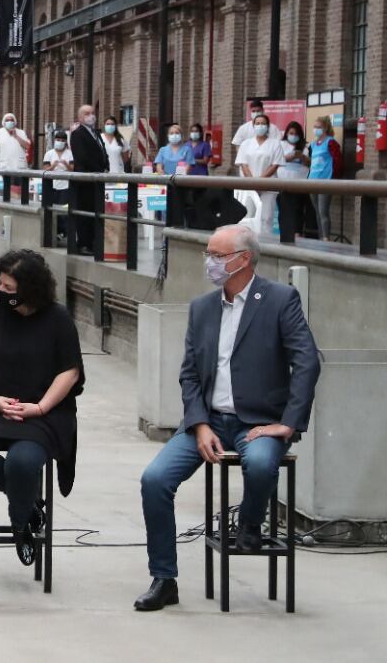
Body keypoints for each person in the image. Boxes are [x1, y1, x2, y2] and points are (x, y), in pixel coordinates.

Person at [135, 224, 319, 611]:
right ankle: (164, 578)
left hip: (258, 422)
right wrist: (199, 424)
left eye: (217, 256)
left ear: (243, 259)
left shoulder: (280, 300)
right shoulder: (203, 308)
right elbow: (189, 373)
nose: (210, 262)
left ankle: (250, 524)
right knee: (154, 480)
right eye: (209, 254)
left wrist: (288, 422)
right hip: (210, 420)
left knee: (262, 464)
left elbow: (307, 361)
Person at [0, 249, 83, 566]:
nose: (2, 292)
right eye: (0, 285)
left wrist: (40, 408)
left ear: (30, 290)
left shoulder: (58, 320)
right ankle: (29, 508)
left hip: (43, 413)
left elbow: (69, 372)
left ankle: (20, 528)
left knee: (22, 463)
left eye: (9, 289)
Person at [234, 112, 285, 233]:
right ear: (253, 126)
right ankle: (246, 243)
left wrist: (261, 180)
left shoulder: (275, 144)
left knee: (266, 217)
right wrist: (252, 181)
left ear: (268, 126)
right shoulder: (246, 144)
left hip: (269, 185)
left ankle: (266, 244)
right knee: (247, 215)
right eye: (257, 123)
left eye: (263, 124)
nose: (260, 126)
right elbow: (243, 163)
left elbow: (275, 165)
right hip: (249, 185)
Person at [68, 104, 109, 254]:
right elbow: (82, 157)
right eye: (87, 113)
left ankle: (93, 242)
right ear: (80, 117)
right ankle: (83, 244)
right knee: (85, 211)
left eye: (92, 113)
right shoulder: (78, 134)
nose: (91, 116)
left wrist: (106, 166)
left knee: (95, 210)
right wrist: (98, 170)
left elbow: (102, 151)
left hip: (97, 179)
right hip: (85, 179)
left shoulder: (96, 133)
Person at [307, 116, 341, 240]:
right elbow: (311, 161)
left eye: (319, 127)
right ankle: (321, 236)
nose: (316, 129)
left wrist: (333, 177)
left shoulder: (331, 142)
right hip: (312, 180)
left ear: (325, 128)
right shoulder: (313, 145)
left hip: (325, 180)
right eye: (315, 127)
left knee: (323, 212)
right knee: (317, 212)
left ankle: (326, 237)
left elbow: (337, 161)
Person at [277, 121, 311, 240]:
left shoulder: (306, 146)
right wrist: (287, 157)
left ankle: (297, 232)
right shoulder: (280, 145)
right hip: (283, 182)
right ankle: (284, 232)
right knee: (284, 209)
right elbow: (275, 161)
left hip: (300, 182)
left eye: (296, 134)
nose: (293, 136)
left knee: (298, 208)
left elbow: (310, 163)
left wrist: (301, 156)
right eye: (291, 133)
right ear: (287, 133)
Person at [42, 130, 73, 240]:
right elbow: (45, 169)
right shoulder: (49, 154)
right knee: (53, 208)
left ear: (65, 142)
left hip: (66, 186)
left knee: (64, 209)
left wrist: (66, 165)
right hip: (52, 185)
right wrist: (53, 166)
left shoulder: (70, 153)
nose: (60, 142)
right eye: (58, 140)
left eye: (62, 140)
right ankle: (56, 231)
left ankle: (65, 232)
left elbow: (73, 169)